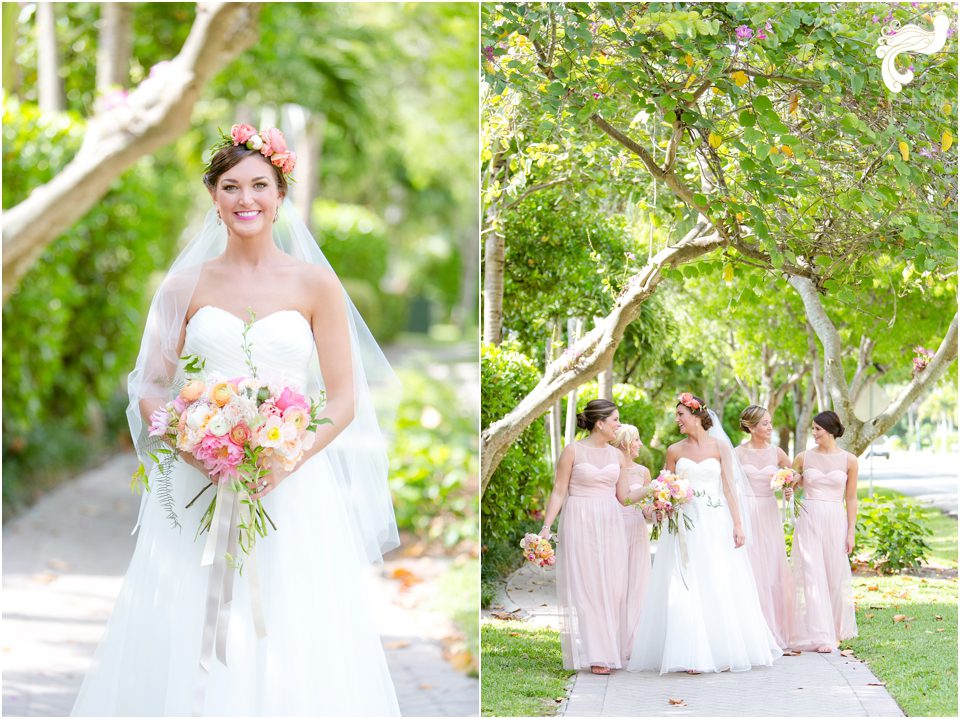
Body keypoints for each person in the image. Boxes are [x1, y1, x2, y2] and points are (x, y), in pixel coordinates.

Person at [72, 124, 400, 716]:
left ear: (280, 197)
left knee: (289, 624)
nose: (245, 199)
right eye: (231, 187)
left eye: (259, 186)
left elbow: (345, 398)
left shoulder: (315, 285)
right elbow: (149, 383)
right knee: (189, 619)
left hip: (293, 488)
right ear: (214, 198)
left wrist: (283, 462)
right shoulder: (183, 286)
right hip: (198, 483)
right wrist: (198, 449)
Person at [627, 393, 781, 675]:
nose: (677, 420)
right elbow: (666, 485)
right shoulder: (675, 450)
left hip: (715, 521)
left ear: (696, 415)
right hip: (685, 523)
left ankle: (721, 649)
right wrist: (662, 504)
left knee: (717, 579)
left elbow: (729, 488)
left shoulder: (721, 447)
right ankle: (690, 652)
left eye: (681, 415)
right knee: (686, 581)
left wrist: (737, 524)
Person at [539, 399, 633, 674]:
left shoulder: (617, 456)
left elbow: (625, 497)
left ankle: (611, 648)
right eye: (615, 419)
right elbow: (558, 491)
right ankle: (598, 655)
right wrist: (546, 528)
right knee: (588, 586)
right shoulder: (573, 451)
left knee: (614, 586)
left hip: (610, 520)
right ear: (600, 423)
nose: (619, 424)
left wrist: (658, 490)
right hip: (579, 519)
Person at [791, 410, 859, 653]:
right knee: (812, 574)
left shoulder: (849, 460)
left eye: (818, 429)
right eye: (813, 429)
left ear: (830, 430)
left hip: (835, 518)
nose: (814, 433)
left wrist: (850, 532)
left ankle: (835, 629)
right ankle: (819, 634)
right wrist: (789, 483)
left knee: (833, 574)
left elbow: (851, 498)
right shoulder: (802, 457)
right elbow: (792, 486)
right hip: (809, 518)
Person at [735, 405, 797, 650]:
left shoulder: (778, 453)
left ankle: (773, 629)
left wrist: (789, 487)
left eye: (770, 423)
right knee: (750, 568)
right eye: (764, 424)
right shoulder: (737, 453)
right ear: (750, 427)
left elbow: (791, 477)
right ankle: (749, 631)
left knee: (771, 567)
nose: (770, 427)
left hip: (769, 512)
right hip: (747, 511)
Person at [613, 423, 652, 659]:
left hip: (637, 531)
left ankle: (635, 641)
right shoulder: (612, 469)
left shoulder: (643, 471)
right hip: (615, 529)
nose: (639, 445)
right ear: (626, 443)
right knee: (616, 585)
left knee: (637, 584)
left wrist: (656, 512)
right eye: (636, 440)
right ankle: (614, 640)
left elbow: (645, 507)